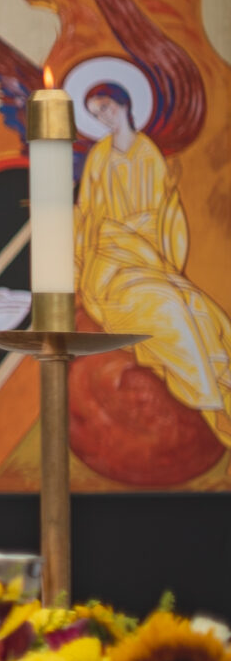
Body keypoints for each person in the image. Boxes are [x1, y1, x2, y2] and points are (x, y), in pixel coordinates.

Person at [73, 79, 231, 446]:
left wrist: (157, 252)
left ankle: (220, 394)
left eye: (106, 108)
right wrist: (82, 265)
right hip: (111, 263)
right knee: (169, 308)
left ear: (125, 104)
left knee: (200, 309)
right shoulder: (99, 156)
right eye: (96, 114)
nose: (104, 118)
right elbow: (87, 216)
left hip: (150, 259)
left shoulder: (149, 153)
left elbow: (166, 216)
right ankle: (212, 403)